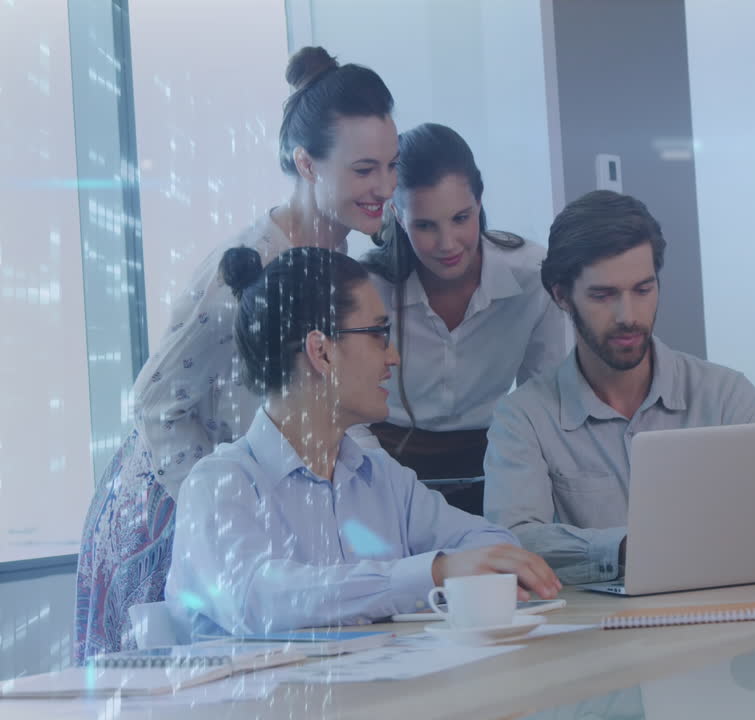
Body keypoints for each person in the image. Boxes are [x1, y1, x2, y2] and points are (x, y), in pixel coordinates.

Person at [75, 46, 400, 658]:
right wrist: (221, 509)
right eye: (363, 171)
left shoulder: (340, 257)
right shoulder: (247, 266)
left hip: (257, 507)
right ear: (306, 163)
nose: (384, 187)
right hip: (168, 510)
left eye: (391, 165)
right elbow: (154, 404)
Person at [166, 247, 559, 636]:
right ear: (321, 352)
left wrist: (456, 570)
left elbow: (492, 543)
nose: (394, 357)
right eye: (378, 334)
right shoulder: (219, 484)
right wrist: (431, 573)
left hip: (382, 693)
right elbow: (258, 599)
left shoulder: (381, 477)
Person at [483, 191, 755, 585]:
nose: (628, 316)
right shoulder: (523, 417)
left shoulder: (726, 396)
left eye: (643, 290)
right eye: (603, 295)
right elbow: (513, 543)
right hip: (594, 637)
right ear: (562, 296)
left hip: (726, 630)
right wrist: (629, 546)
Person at [361, 123, 566, 512]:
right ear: (397, 215)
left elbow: (545, 398)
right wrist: (382, 486)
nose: (447, 244)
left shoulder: (534, 274)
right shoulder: (367, 287)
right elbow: (346, 417)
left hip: (494, 462)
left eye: (461, 217)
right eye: (425, 226)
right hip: (383, 463)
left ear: (480, 200)